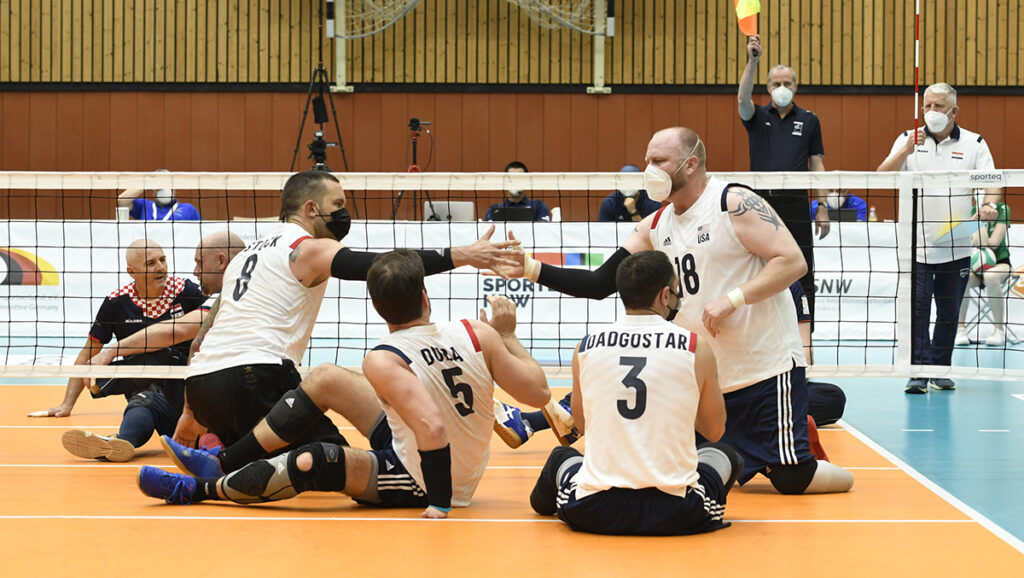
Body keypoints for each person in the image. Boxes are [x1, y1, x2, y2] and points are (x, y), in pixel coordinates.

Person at [502, 127, 853, 495]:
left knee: (792, 480)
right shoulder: (655, 224)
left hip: (763, 367)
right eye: (647, 160)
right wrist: (528, 267)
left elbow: (792, 262)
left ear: (691, 164)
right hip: (707, 379)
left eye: (658, 161)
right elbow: (599, 283)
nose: (648, 169)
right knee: (691, 472)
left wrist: (733, 299)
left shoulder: (732, 202)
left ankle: (818, 457)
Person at [137, 250, 551, 519]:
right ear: (426, 297)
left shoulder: (383, 357)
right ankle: (225, 460)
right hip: (420, 442)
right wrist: (508, 335)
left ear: (376, 306)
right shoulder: (478, 331)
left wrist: (439, 504)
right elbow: (540, 394)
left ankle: (201, 488)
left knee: (314, 460)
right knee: (327, 377)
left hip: (425, 476)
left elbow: (433, 430)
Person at [172, 170, 520, 456]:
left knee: (264, 461)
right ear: (310, 208)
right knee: (335, 461)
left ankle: (221, 456)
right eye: (337, 204)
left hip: (203, 387)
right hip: (256, 380)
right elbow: (381, 265)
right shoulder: (306, 248)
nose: (343, 213)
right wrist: (463, 255)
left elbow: (201, 341)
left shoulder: (244, 257)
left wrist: (190, 412)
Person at [528, 250, 742, 535]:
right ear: (665, 295)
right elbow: (714, 431)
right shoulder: (694, 346)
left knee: (562, 458)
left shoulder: (586, 346)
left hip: (594, 511)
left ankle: (542, 500)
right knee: (723, 453)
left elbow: (581, 426)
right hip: (677, 513)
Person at [493, 279, 845, 450]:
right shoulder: (708, 284)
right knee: (646, 374)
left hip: (766, 376)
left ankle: (536, 419)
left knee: (833, 398)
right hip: (706, 379)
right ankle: (536, 419)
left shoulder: (788, 287)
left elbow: (805, 353)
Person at [877, 82, 1002, 393]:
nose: (931, 112)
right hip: (915, 245)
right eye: (927, 106)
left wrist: (989, 204)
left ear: (954, 111)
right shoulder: (907, 139)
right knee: (917, 311)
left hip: (957, 243)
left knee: (948, 311)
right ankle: (917, 372)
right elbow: (880, 176)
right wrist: (905, 151)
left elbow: (994, 181)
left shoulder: (975, 143)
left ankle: (940, 369)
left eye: (938, 106)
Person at [31, 239, 205, 462]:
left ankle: (103, 386)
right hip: (149, 395)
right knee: (145, 400)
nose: (161, 267)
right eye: (151, 263)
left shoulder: (186, 291)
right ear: (132, 272)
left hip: (186, 391)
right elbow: (88, 353)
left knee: (163, 356)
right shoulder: (116, 303)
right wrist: (67, 404)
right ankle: (120, 444)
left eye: (162, 259)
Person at [738, 34, 833, 323]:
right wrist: (753, 61)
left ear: (796, 88)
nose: (782, 88)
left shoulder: (810, 120)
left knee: (802, 267)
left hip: (794, 203)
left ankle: (806, 339)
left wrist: (822, 205)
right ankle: (763, 331)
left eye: (787, 83)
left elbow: (817, 165)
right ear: (767, 88)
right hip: (759, 204)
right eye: (776, 84)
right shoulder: (756, 116)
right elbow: (743, 98)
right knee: (758, 268)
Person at [956, 201, 1012, 347]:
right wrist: (976, 220)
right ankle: (960, 329)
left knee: (991, 276)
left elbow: (993, 243)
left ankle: (998, 331)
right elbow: (975, 242)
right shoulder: (970, 209)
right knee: (963, 276)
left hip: (1000, 263)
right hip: (975, 264)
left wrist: (980, 223)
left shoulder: (1003, 208)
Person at [118, 170, 201, 221]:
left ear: (174, 190)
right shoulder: (144, 206)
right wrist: (148, 182)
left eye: (168, 185)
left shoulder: (188, 209)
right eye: (161, 186)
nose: (165, 189)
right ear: (153, 192)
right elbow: (121, 201)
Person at [484, 161, 551, 222]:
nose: (515, 182)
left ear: (526, 180)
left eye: (519, 178)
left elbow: (542, 230)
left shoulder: (538, 206)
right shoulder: (494, 209)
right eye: (511, 178)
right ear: (505, 181)